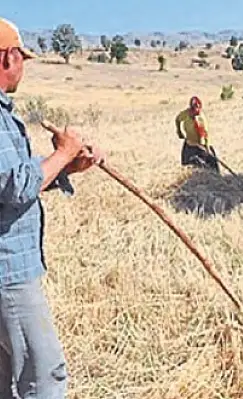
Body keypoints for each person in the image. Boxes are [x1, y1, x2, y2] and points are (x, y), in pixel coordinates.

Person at [0, 17, 105, 398]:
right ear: (8, 57)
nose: (22, 66)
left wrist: (67, 164)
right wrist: (63, 151)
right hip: (8, 272)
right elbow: (14, 185)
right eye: (22, 57)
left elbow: (11, 185)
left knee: (9, 381)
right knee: (45, 376)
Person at [174, 96, 220, 172]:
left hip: (200, 145)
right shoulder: (186, 114)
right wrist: (179, 131)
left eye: (197, 108)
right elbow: (178, 119)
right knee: (186, 165)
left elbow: (204, 135)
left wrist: (206, 148)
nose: (194, 111)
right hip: (189, 144)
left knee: (206, 165)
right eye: (193, 108)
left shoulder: (200, 119)